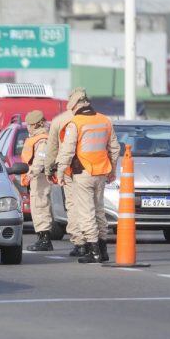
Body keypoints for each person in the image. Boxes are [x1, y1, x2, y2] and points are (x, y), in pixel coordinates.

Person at [56, 93, 120, 263]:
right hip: (101, 173)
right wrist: (112, 170)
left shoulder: (75, 123)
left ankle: (94, 251)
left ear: (75, 107)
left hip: (83, 173)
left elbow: (67, 151)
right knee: (99, 211)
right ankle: (103, 249)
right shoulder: (105, 120)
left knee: (86, 212)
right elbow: (114, 148)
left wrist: (60, 172)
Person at [44, 88, 89, 257]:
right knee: (91, 206)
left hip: (71, 170)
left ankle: (80, 243)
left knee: (73, 206)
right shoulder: (99, 118)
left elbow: (52, 149)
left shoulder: (60, 121)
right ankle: (95, 242)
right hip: (94, 170)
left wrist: (49, 169)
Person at [21, 110, 54, 252]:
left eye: (29, 125)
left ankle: (45, 239)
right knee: (37, 206)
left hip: (39, 177)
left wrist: (31, 173)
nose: (27, 127)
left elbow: (41, 159)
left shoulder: (42, 139)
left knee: (40, 206)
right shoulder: (36, 138)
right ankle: (41, 237)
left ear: (35, 124)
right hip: (35, 177)